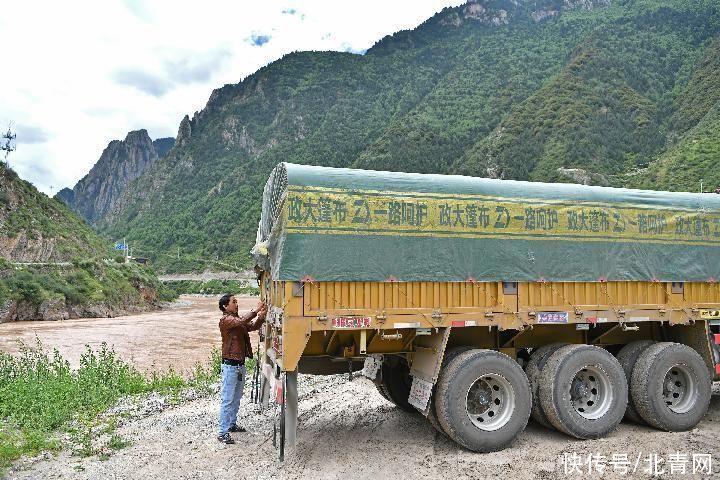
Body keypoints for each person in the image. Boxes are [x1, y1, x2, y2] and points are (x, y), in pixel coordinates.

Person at [217, 294, 267, 444]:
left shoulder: (236, 321)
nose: (236, 304)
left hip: (239, 365)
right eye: (234, 302)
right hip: (230, 366)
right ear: (225, 306)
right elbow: (243, 321)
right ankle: (222, 432)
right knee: (227, 399)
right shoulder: (226, 320)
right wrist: (257, 310)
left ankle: (231, 425)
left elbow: (252, 326)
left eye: (236, 301)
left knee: (236, 398)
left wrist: (261, 317)